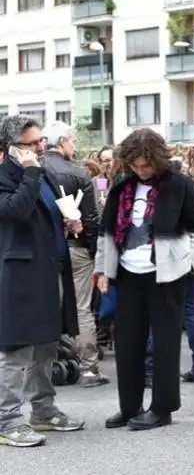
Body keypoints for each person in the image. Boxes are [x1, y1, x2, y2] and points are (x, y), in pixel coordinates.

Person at [95, 129, 194, 430]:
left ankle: (162, 407)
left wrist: (188, 264)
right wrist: (103, 270)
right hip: (129, 274)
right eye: (135, 165)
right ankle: (130, 407)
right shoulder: (121, 187)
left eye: (146, 165)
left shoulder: (181, 185)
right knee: (127, 342)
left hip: (168, 275)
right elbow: (105, 234)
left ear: (158, 159)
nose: (141, 170)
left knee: (166, 343)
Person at [0, 115, 84, 448]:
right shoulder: (10, 177)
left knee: (47, 345)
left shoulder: (45, 175)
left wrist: (67, 226)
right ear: (11, 148)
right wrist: (31, 171)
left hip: (49, 271)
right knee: (18, 350)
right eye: (32, 144)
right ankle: (7, 420)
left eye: (42, 142)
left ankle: (43, 410)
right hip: (19, 277)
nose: (40, 148)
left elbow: (43, 215)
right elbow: (15, 211)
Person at [42, 121, 106, 388]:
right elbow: (91, 218)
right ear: (62, 142)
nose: (75, 146)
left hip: (45, 249)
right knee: (82, 307)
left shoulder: (37, 171)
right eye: (72, 141)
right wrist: (93, 250)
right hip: (77, 247)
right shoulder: (79, 174)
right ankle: (89, 368)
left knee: (47, 307)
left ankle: (46, 367)